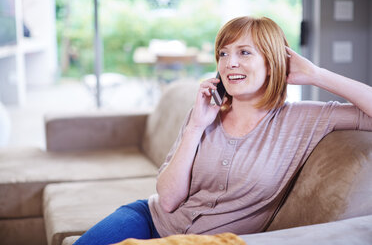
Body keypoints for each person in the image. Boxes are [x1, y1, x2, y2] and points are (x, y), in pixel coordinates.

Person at [74, 16, 372, 245]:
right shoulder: (204, 115)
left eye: (244, 52)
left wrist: (317, 75)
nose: (230, 63)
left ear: (272, 62)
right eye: (223, 54)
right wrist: (196, 126)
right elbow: (167, 200)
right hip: (148, 218)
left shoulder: (306, 119)